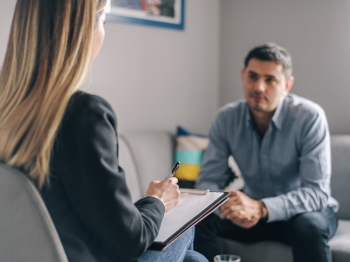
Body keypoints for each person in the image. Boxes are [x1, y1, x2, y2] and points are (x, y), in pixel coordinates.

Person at [0, 1, 207, 262]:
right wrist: (157, 200)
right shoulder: (83, 115)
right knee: (187, 224)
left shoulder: (8, 113)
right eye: (104, 20)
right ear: (82, 29)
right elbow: (130, 242)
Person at [193, 43, 339, 262]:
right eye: (252, 76)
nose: (259, 87)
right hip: (251, 212)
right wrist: (232, 207)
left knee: (308, 226)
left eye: (270, 79)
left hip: (302, 213)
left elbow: (317, 193)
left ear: (287, 85)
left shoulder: (309, 117)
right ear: (243, 76)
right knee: (199, 219)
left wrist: (261, 208)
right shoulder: (226, 119)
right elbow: (207, 183)